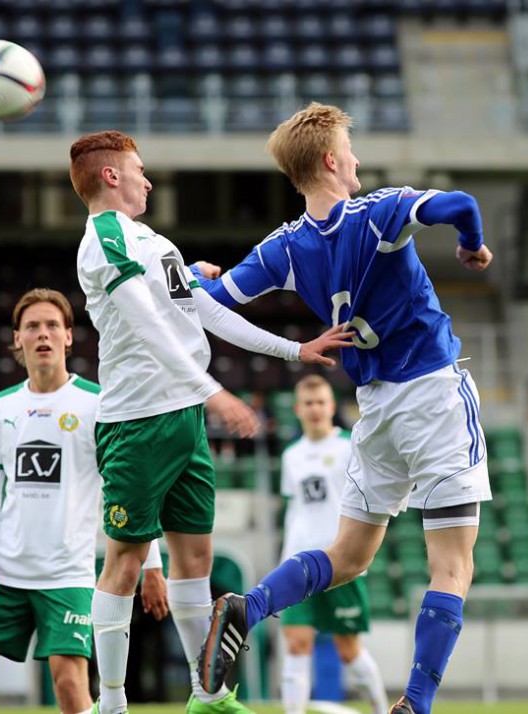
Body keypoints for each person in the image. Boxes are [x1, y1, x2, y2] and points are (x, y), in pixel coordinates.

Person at [195, 103, 493, 714]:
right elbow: (460, 205)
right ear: (332, 160)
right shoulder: (378, 212)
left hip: (374, 410)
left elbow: (214, 301)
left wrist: (185, 278)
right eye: (350, 151)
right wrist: (472, 247)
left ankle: (247, 607)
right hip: (433, 394)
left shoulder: (285, 247)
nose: (357, 161)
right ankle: (415, 703)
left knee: (348, 558)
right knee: (452, 568)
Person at [69, 130, 351, 714]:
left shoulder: (153, 242)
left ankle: (209, 695)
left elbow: (206, 312)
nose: (148, 179)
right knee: (123, 561)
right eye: (139, 170)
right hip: (138, 422)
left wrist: (296, 350)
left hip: (185, 420)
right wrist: (212, 390)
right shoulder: (103, 240)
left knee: (195, 560)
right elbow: (148, 327)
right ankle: (112, 701)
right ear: (111, 177)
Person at [0, 288, 117, 714]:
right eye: (32, 327)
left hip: (67, 574)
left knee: (71, 687)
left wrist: (146, 565)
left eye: (52, 326)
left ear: (69, 337)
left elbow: (122, 488)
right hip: (5, 571)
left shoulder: (97, 404)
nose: (43, 334)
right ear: (16, 338)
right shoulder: (1, 408)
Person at [278, 375, 387, 714]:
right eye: (308, 403)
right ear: (298, 409)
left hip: (340, 560)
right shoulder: (291, 455)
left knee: (348, 649)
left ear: (331, 407)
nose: (315, 409)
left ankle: (383, 709)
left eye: (321, 402)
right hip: (297, 562)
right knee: (296, 643)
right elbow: (295, 507)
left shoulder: (348, 447)